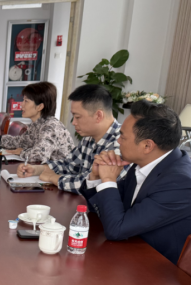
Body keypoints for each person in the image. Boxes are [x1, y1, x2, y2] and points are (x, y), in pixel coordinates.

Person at [79, 100, 190, 263]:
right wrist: (96, 178)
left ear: (147, 146)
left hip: (158, 269)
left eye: (123, 136)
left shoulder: (180, 184)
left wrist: (108, 180)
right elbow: (106, 210)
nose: (118, 141)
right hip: (130, 252)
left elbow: (116, 229)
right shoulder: (143, 163)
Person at [17, 84, 121, 194]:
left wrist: (55, 178)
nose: (73, 122)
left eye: (77, 117)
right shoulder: (89, 138)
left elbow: (94, 184)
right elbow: (69, 165)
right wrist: (36, 170)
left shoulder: (121, 143)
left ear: (98, 116)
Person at [0, 82, 74, 163]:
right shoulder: (37, 124)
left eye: (26, 101)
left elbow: (38, 156)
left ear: (40, 106)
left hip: (61, 178)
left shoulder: (51, 127)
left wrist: (22, 152)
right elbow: (19, 142)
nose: (21, 105)